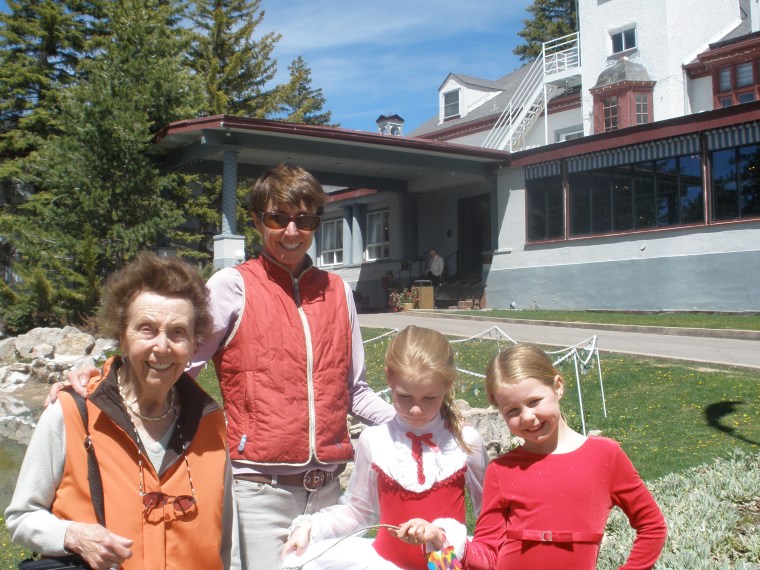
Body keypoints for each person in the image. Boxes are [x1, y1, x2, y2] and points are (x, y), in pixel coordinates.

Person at [55, 163, 395, 569]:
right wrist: (101, 380)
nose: (291, 232)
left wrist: (425, 424)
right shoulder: (233, 286)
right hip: (257, 494)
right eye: (277, 218)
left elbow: (355, 391)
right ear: (256, 220)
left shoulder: (337, 290)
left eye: (304, 220)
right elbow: (173, 362)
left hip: (328, 495)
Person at [6, 252, 237, 570]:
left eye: (178, 333)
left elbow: (224, 542)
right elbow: (21, 518)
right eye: (146, 329)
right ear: (121, 336)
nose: (162, 346)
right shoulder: (71, 413)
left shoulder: (212, 425)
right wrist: (72, 534)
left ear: (195, 343)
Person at [281, 326, 488, 570]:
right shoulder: (375, 440)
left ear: (448, 382)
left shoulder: (465, 441)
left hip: (445, 564)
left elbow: (488, 514)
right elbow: (357, 511)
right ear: (389, 377)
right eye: (404, 397)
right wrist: (309, 527)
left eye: (429, 398)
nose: (416, 410)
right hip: (387, 563)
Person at [461, 343, 668, 569]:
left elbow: (652, 526)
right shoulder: (501, 470)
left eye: (534, 401)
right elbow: (487, 552)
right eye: (513, 411)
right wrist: (445, 546)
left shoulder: (605, 456)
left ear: (557, 387)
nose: (528, 417)